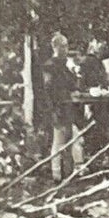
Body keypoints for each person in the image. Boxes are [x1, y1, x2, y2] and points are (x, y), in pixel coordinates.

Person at [42, 31, 81, 181]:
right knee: (58, 140)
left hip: (68, 106)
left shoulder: (67, 65)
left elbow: (72, 84)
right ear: (55, 47)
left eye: (66, 46)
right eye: (62, 46)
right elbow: (47, 89)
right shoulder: (49, 66)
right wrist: (52, 110)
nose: (65, 49)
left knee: (72, 137)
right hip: (58, 107)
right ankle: (56, 173)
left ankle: (70, 170)